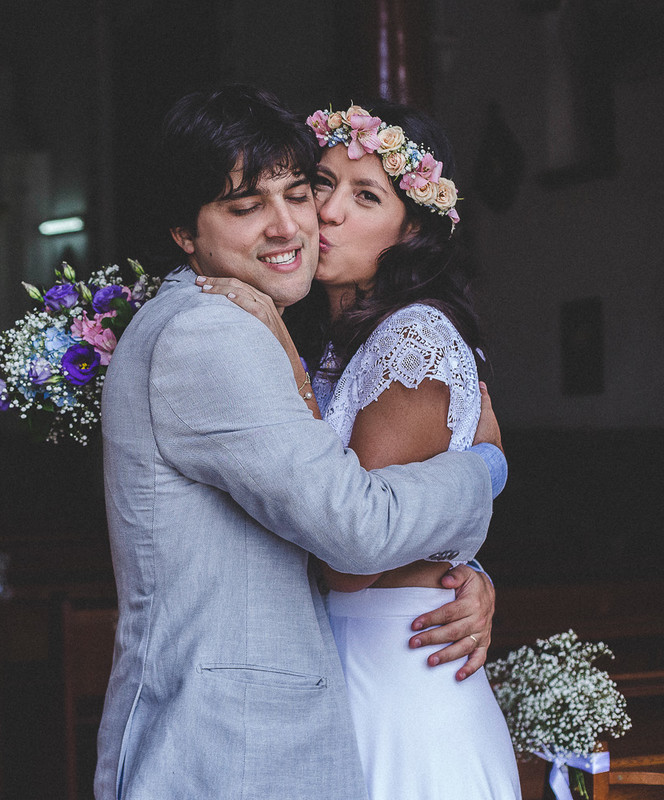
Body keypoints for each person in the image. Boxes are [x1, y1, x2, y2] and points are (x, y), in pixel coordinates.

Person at [96, 84, 507, 800]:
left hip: (355, 691)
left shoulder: (328, 333)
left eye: (296, 192)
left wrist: (462, 573)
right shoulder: (212, 330)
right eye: (246, 207)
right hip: (233, 743)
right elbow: (353, 530)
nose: (297, 223)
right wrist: (485, 470)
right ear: (185, 233)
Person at [204, 99, 520, 799]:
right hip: (347, 668)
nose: (328, 212)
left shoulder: (412, 339)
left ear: (412, 229)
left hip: (399, 683)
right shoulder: (346, 342)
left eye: (366, 195)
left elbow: (353, 559)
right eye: (322, 183)